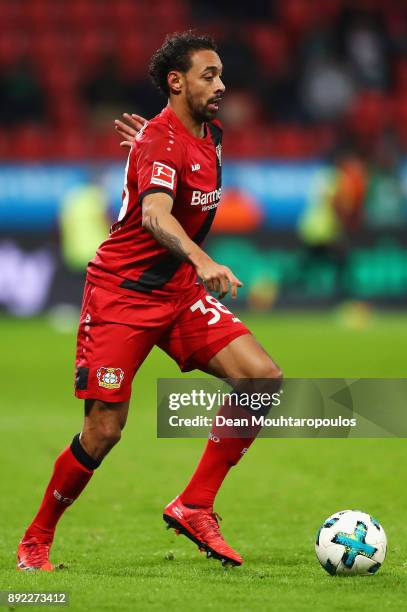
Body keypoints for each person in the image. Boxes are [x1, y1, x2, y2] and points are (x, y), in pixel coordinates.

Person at [17, 31, 282, 571]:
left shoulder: (208, 135)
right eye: (209, 75)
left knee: (261, 378)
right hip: (122, 294)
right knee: (104, 430)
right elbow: (155, 216)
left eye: (222, 74)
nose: (222, 85)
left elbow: (174, 156)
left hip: (176, 293)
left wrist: (159, 141)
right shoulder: (161, 144)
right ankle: (35, 541)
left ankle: (195, 504)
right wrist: (202, 259)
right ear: (176, 81)